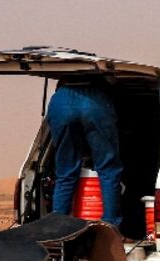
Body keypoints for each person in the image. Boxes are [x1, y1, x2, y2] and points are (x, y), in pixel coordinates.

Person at [46, 77, 124, 228]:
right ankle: (110, 226)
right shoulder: (100, 80)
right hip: (94, 100)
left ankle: (57, 228)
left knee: (65, 171)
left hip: (61, 101)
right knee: (108, 168)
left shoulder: (63, 79)